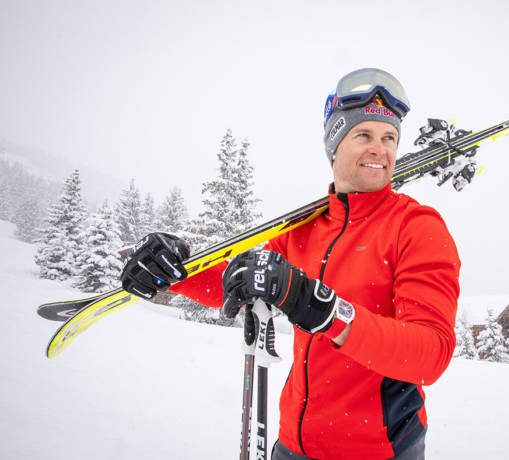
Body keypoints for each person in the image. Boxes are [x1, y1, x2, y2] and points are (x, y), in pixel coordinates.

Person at [120, 68, 461, 459]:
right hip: (292, 446)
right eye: (363, 135)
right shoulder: (304, 230)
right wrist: (176, 272)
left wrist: (322, 308)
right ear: (334, 146)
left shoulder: (415, 227)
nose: (379, 150)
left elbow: (429, 354)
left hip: (378, 450)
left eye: (389, 138)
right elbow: (241, 283)